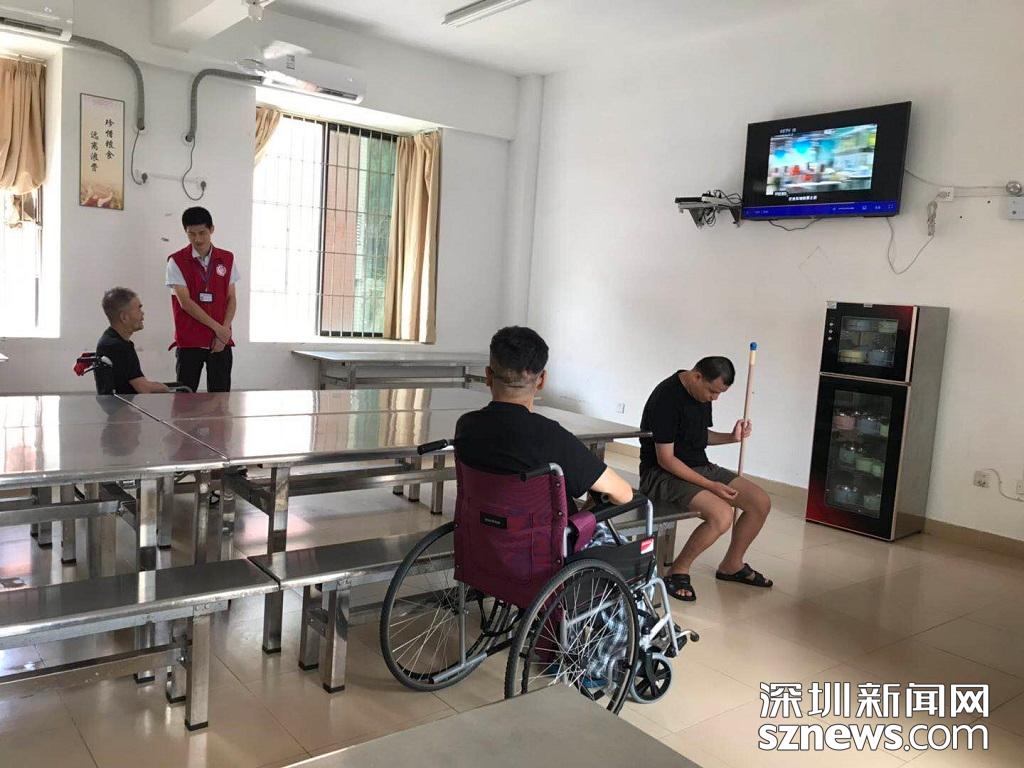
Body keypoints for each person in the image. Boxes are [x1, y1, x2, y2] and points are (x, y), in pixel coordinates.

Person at [455, 326, 634, 519]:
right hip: (543, 538)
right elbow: (623, 494)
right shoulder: (550, 436)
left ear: (488, 376)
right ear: (542, 380)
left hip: (477, 533)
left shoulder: (466, 426)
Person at [639, 357, 773, 602]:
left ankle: (732, 564)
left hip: (700, 467)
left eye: (719, 393)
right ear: (697, 376)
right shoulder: (667, 398)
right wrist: (711, 486)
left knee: (760, 501)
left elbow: (701, 435)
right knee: (722, 515)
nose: (715, 398)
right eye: (713, 391)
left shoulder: (701, 394)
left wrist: (732, 437)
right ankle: (677, 570)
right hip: (661, 474)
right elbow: (666, 459)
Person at [166, 206, 240, 393]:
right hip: (190, 341)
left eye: (202, 233)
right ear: (185, 231)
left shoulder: (227, 259)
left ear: (211, 229)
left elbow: (231, 298)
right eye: (191, 234)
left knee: (221, 398)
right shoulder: (176, 261)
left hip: (220, 342)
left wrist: (223, 332)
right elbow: (185, 303)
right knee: (184, 398)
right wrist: (219, 329)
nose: (197, 239)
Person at [95, 287, 170, 395]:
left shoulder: (109, 341)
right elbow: (143, 388)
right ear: (124, 317)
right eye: (139, 309)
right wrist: (165, 388)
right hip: (123, 405)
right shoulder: (118, 346)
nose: (143, 313)